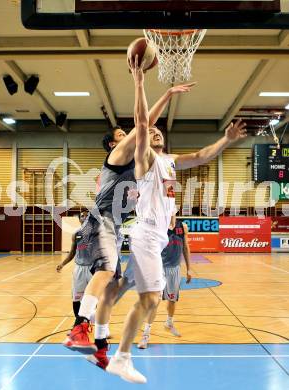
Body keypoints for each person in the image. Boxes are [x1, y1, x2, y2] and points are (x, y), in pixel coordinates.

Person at [106, 56, 247, 383]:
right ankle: (119, 354)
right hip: (144, 233)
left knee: (150, 297)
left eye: (158, 131)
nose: (153, 131)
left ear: (164, 139)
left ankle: (120, 354)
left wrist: (226, 139)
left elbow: (200, 157)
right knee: (150, 296)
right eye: (150, 131)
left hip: (159, 237)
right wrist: (142, 83)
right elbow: (142, 123)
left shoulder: (170, 162)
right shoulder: (144, 158)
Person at [63, 74, 196, 359]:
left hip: (117, 227)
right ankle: (78, 327)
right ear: (114, 145)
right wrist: (158, 91)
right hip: (102, 222)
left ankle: (100, 345)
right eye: (123, 135)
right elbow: (143, 123)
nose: (129, 136)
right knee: (107, 271)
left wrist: (165, 215)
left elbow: (153, 194)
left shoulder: (144, 168)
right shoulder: (117, 157)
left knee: (112, 285)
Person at [137, 214, 191, 349]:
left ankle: (169, 322)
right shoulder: (158, 226)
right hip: (158, 268)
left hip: (175, 269)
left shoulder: (182, 226)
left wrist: (189, 269)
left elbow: (186, 247)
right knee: (154, 302)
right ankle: (146, 335)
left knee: (172, 300)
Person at [56, 210, 91, 322]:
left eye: (87, 216)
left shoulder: (96, 233)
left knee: (96, 297)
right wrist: (62, 264)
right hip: (79, 268)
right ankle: (78, 323)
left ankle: (99, 326)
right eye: (82, 216)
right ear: (79, 219)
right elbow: (72, 253)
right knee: (77, 297)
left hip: (93, 268)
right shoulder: (76, 234)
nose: (84, 217)